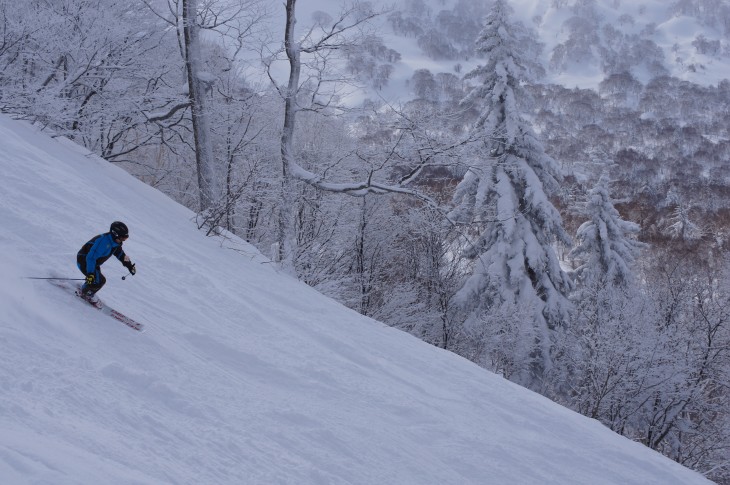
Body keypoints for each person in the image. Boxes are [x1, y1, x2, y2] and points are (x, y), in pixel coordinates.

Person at [77, 221, 136, 305]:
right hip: (85, 261)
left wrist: (129, 265)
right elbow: (90, 258)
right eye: (123, 238)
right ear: (115, 234)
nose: (123, 240)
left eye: (125, 238)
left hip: (93, 263)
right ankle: (85, 294)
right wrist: (90, 273)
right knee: (99, 281)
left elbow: (120, 254)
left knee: (97, 280)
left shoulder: (115, 242)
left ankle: (85, 289)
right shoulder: (103, 242)